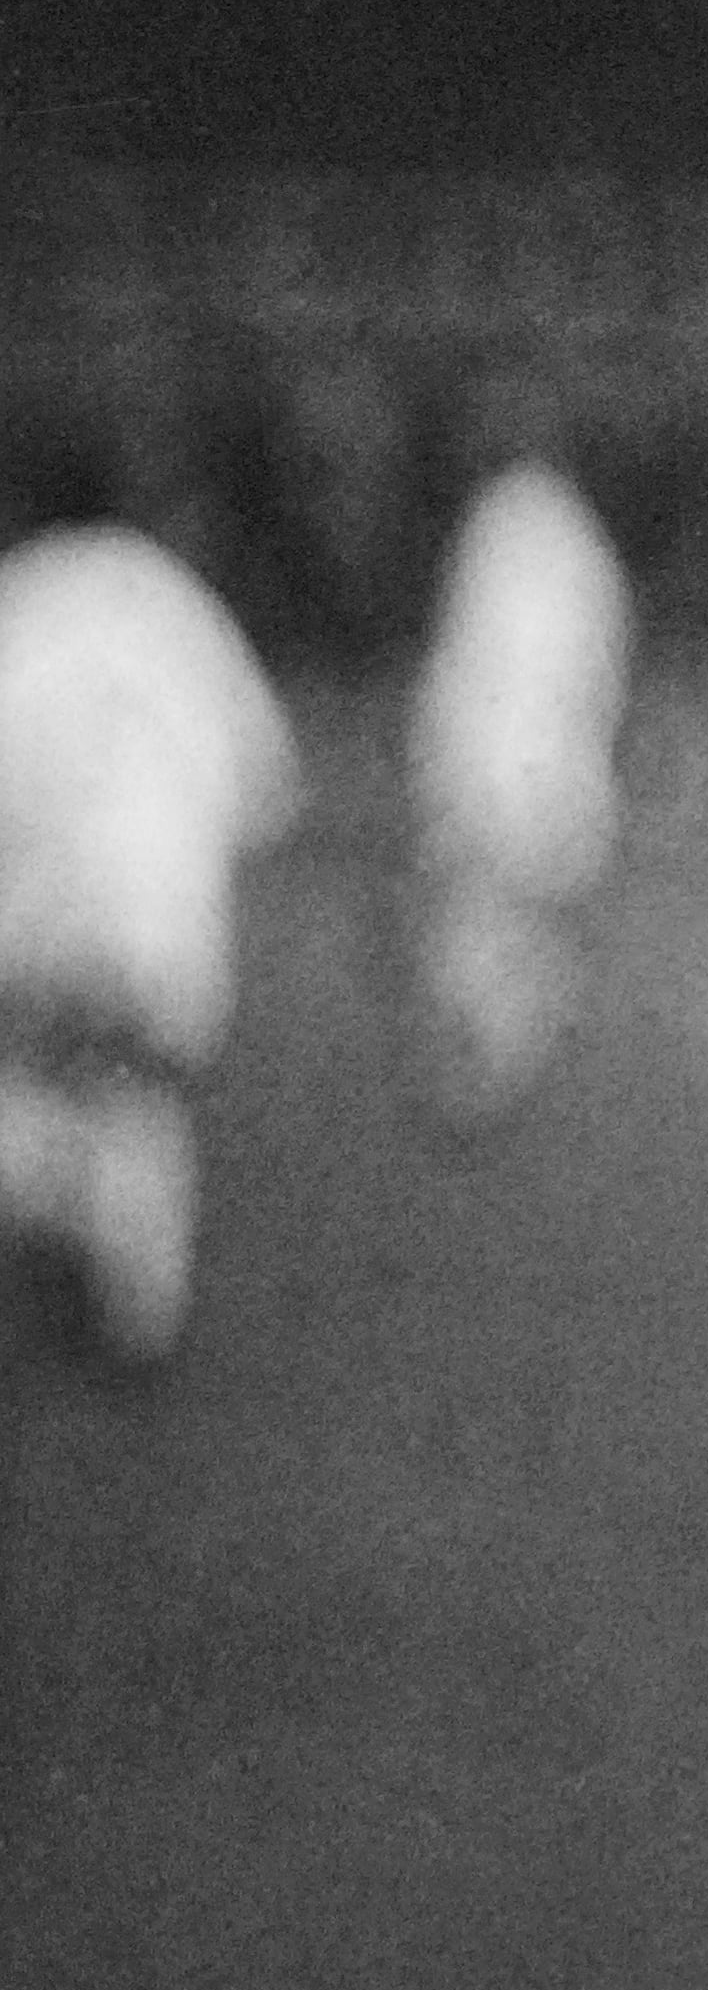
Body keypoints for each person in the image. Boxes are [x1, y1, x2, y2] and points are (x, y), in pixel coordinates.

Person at [0, 508, 300, 1366]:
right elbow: (268, 789)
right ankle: (132, 1302)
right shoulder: (176, 601)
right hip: (167, 931)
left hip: (39, 928)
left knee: (50, 1097)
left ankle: (84, 1214)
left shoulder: (22, 597)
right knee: (134, 1098)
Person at [405, 451, 638, 1124]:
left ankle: (491, 1055)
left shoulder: (529, 541)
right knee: (507, 925)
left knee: (496, 922)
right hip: (537, 777)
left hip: (510, 774)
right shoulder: (564, 550)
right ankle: (493, 1053)